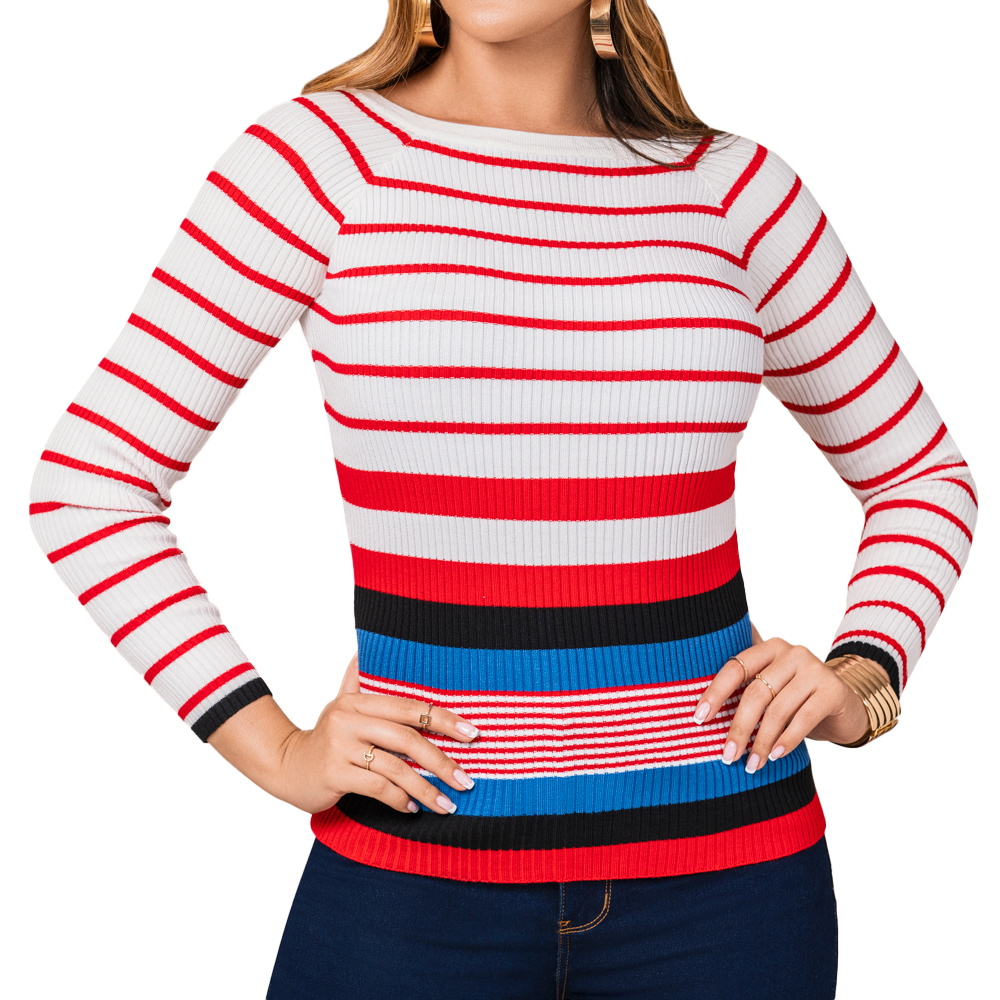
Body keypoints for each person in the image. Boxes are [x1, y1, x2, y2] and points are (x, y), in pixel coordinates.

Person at [27, 1, 977, 997]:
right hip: (412, 878)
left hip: (732, 891)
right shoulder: (319, 159)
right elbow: (90, 484)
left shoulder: (735, 192)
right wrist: (277, 753)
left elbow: (921, 477)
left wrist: (862, 678)